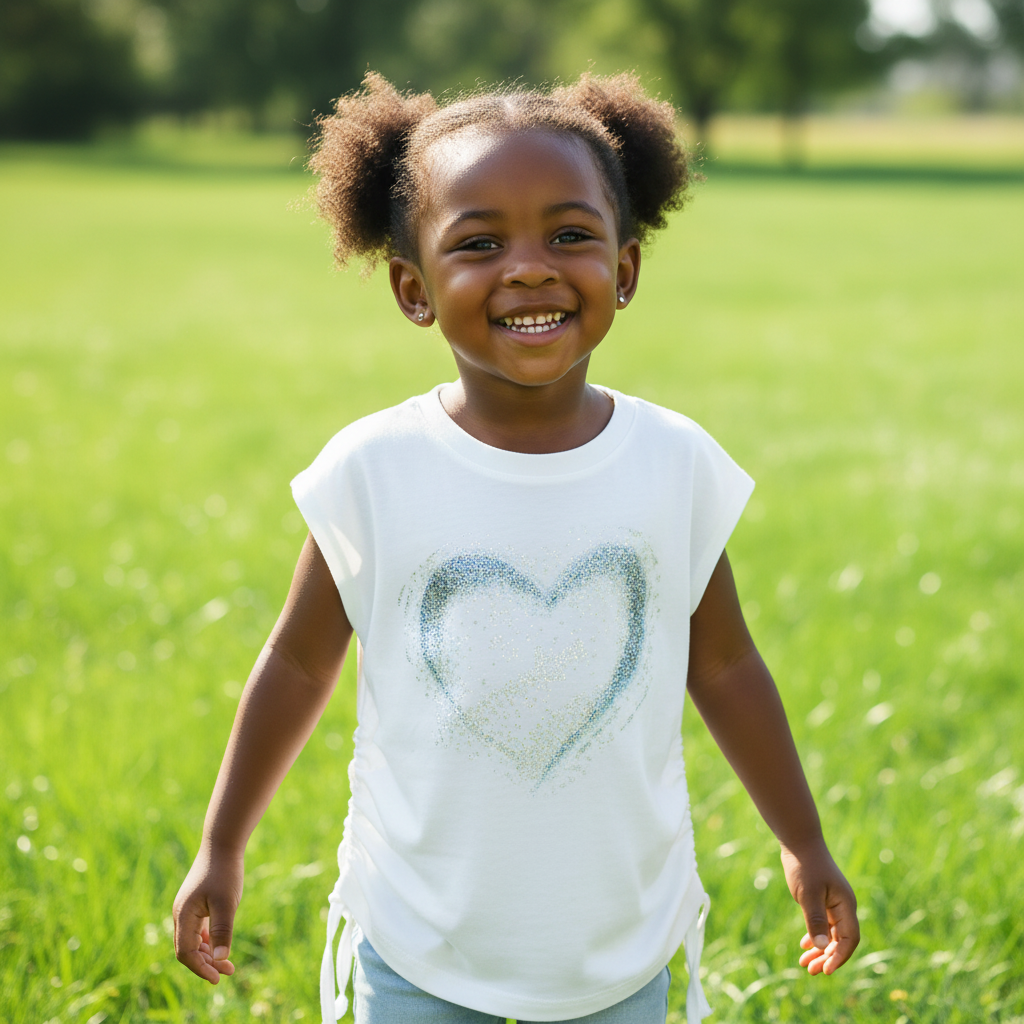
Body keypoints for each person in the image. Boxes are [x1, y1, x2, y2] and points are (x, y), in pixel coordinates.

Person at [172, 72, 859, 1024]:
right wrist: (222, 845)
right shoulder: (375, 470)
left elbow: (727, 666)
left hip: (616, 948)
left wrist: (803, 840)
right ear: (413, 289)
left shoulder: (671, 464)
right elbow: (295, 663)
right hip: (418, 940)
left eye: (570, 235)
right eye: (479, 243)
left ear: (625, 268)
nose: (530, 268)